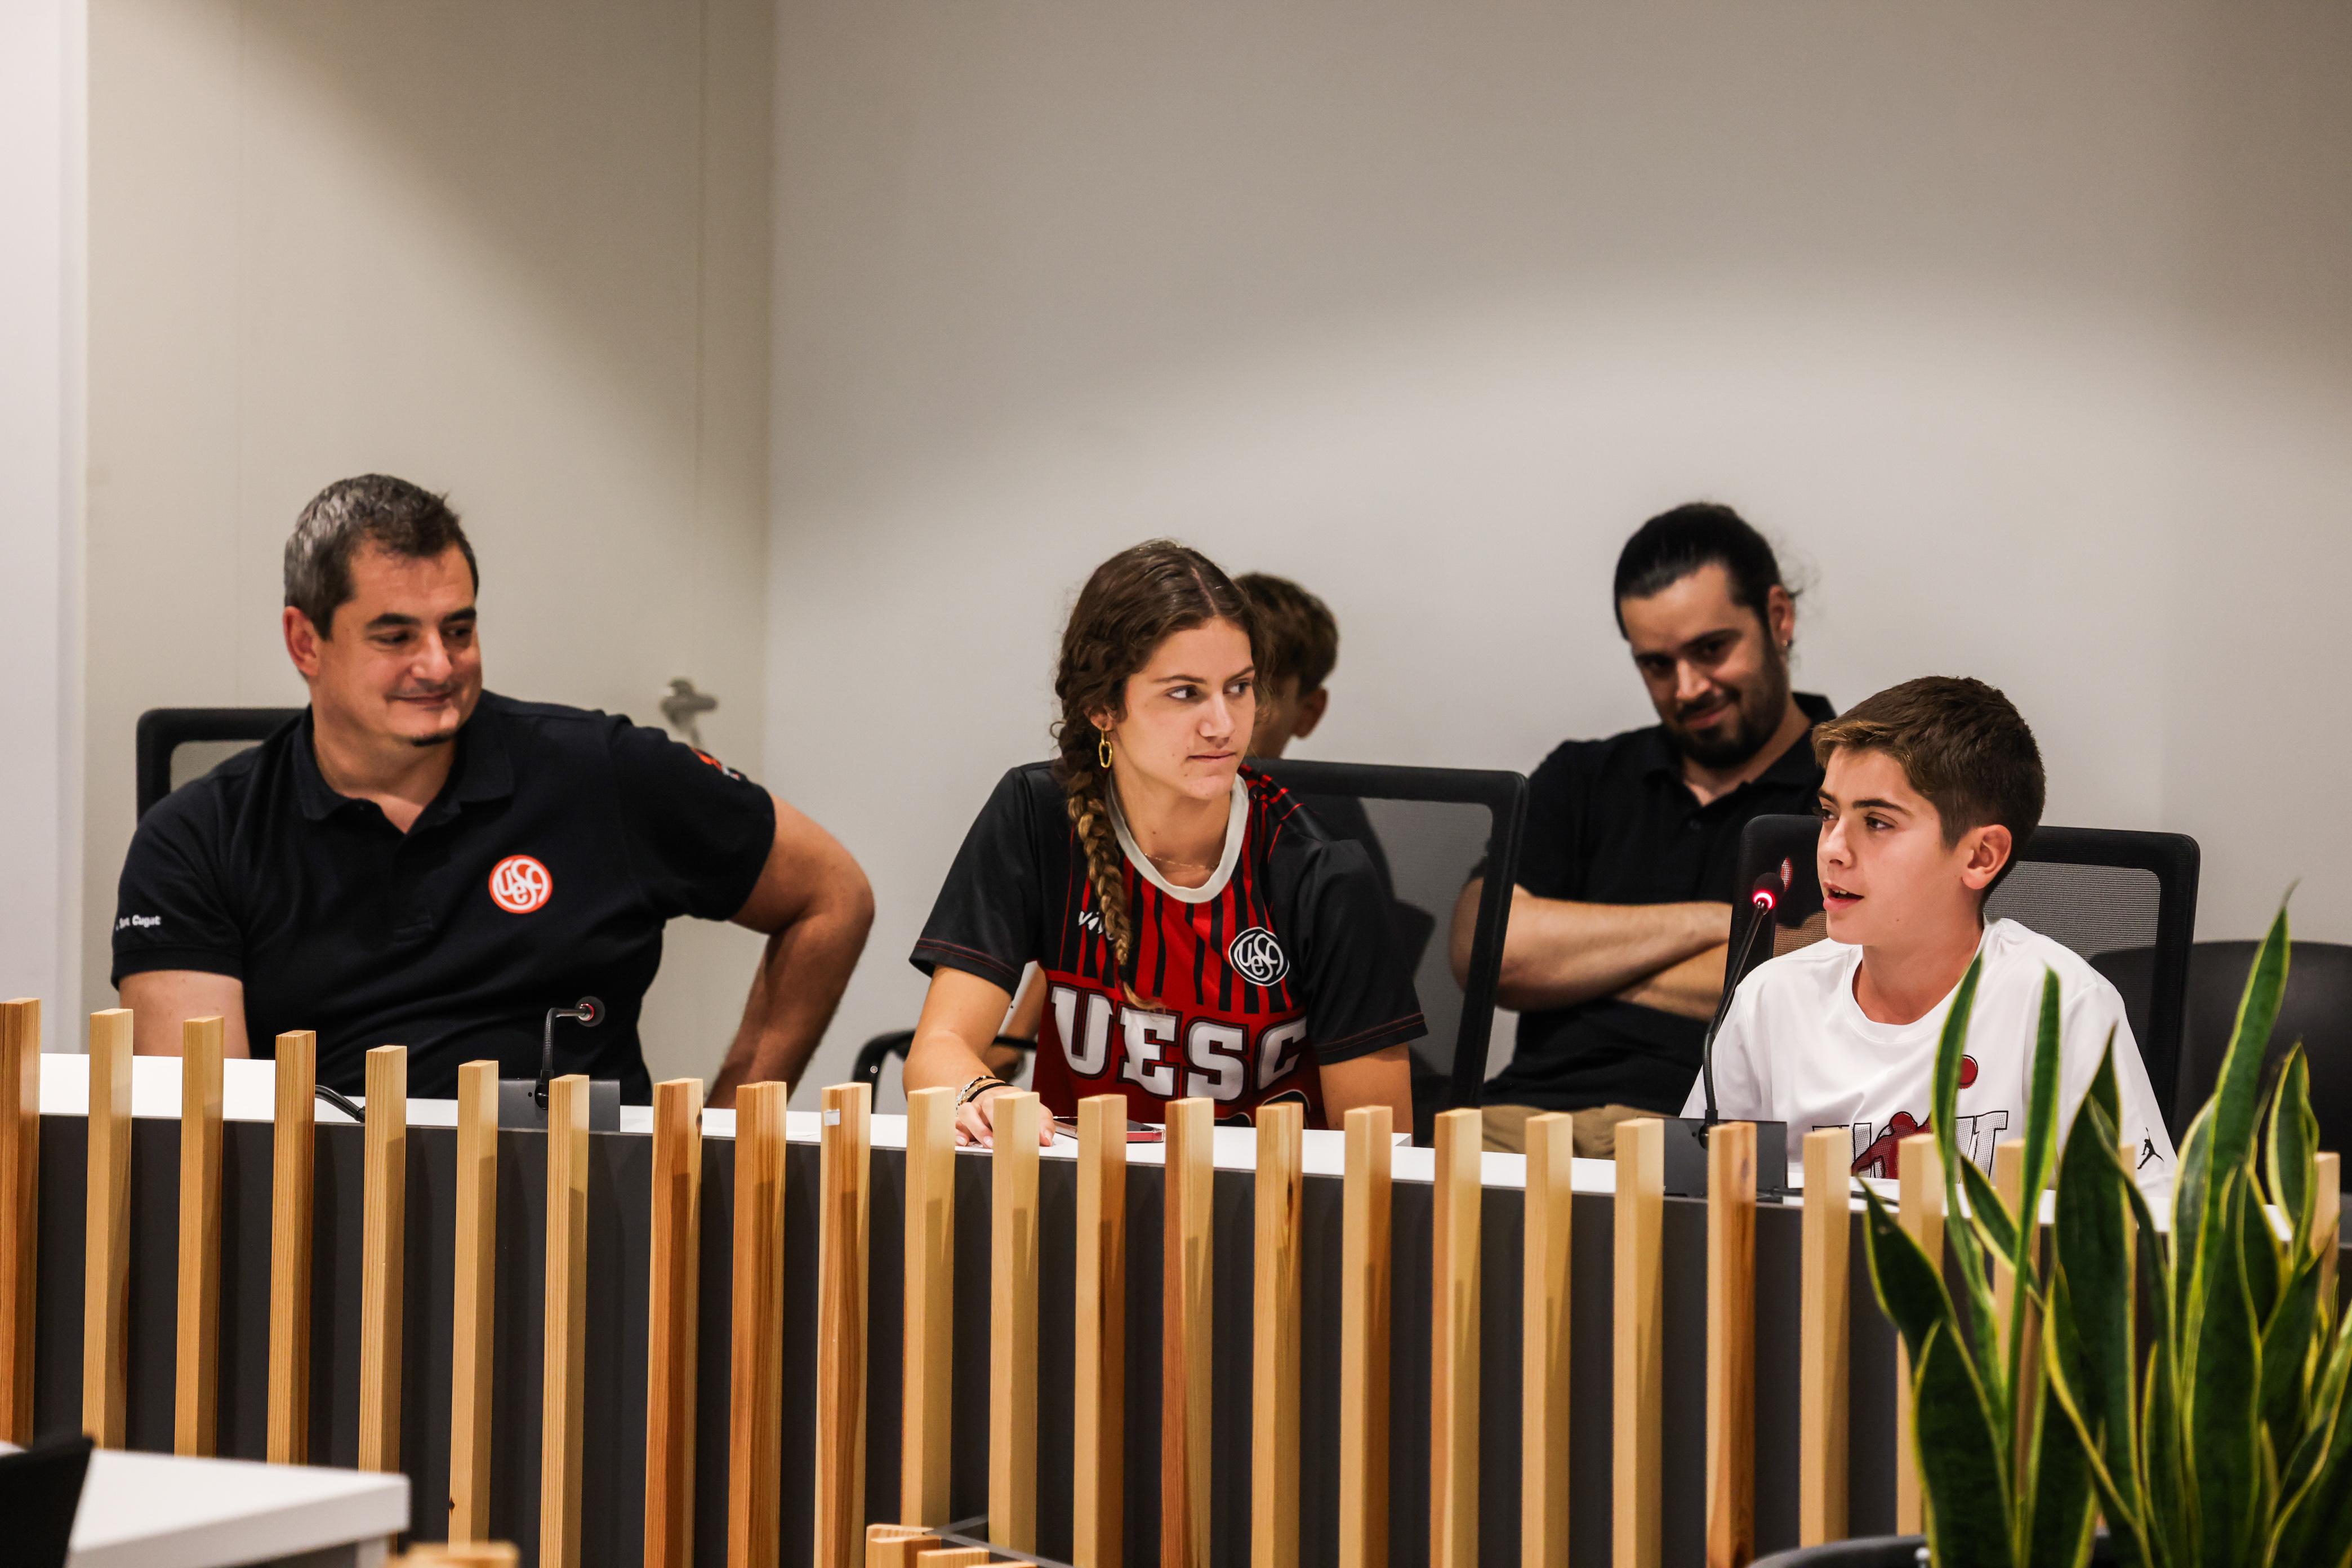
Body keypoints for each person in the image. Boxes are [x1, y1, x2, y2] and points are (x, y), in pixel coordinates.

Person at [113, 474, 873, 1105]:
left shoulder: (601, 772)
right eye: (396, 635)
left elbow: (830, 894)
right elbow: (198, 1132)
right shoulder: (199, 837)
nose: (439, 666)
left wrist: (729, 1139)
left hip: (589, 1225)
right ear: (305, 642)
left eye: (459, 629)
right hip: (330, 1233)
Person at [903, 540, 1423, 1144]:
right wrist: (980, 1092)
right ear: (1102, 706)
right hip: (1075, 1201)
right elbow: (938, 1049)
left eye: (1240, 687)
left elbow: (1383, 1153)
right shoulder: (1038, 815)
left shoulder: (1322, 870)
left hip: (1265, 1219)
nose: (1223, 725)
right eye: (1185, 693)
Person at [1686, 676, 2175, 1197]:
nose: (1831, 849)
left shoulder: (2062, 1004)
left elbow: (2147, 1220)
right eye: (1829, 814)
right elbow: (1697, 1198)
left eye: (1876, 822)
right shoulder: (1770, 1000)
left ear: (1980, 857)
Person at [1460, 504, 1836, 1157]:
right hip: (1518, 1121)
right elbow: (1486, 950)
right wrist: (1721, 923)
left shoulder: (1852, 786)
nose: (1687, 687)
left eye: (1712, 650)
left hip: (1717, 1142)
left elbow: (1827, 984)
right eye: (1657, 664)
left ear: (1779, 618)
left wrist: (1577, 964)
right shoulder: (1582, 774)